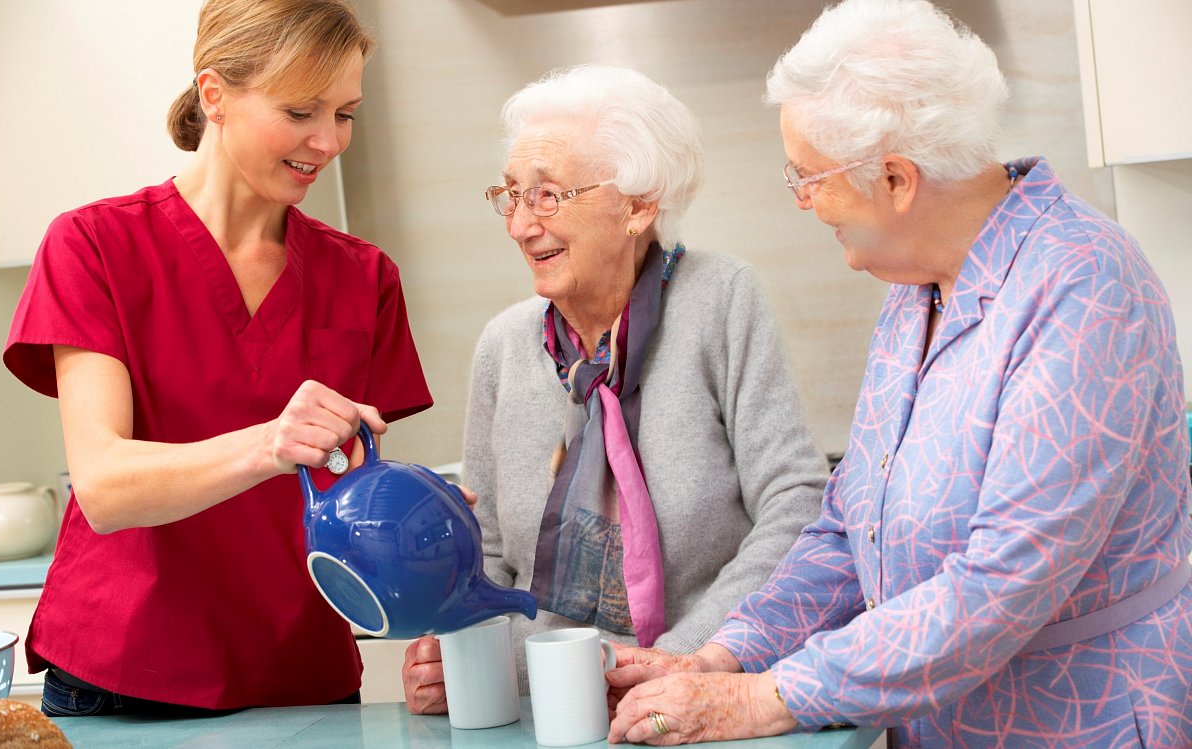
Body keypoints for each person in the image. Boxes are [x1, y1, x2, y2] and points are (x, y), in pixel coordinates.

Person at [605, 1, 1192, 747]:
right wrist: (725, 655)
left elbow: (1004, 581)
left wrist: (764, 697)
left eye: (807, 177)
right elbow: (851, 528)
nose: (803, 200)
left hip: (1080, 718)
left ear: (895, 179)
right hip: (940, 724)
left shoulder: (1085, 284)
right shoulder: (916, 288)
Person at [2, 0, 434, 716]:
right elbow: (104, 486)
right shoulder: (94, 246)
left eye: (345, 114)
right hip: (125, 677)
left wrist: (422, 520)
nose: (328, 140)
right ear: (214, 94)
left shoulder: (365, 277)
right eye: (300, 111)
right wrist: (271, 443)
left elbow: (349, 495)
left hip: (305, 676)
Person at [401, 64, 828, 712]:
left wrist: (685, 659)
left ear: (638, 205)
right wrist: (460, 661)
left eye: (547, 195)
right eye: (512, 195)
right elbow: (483, 557)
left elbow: (795, 508)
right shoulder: (504, 346)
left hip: (700, 697)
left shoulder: (721, 301)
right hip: (544, 706)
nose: (520, 225)